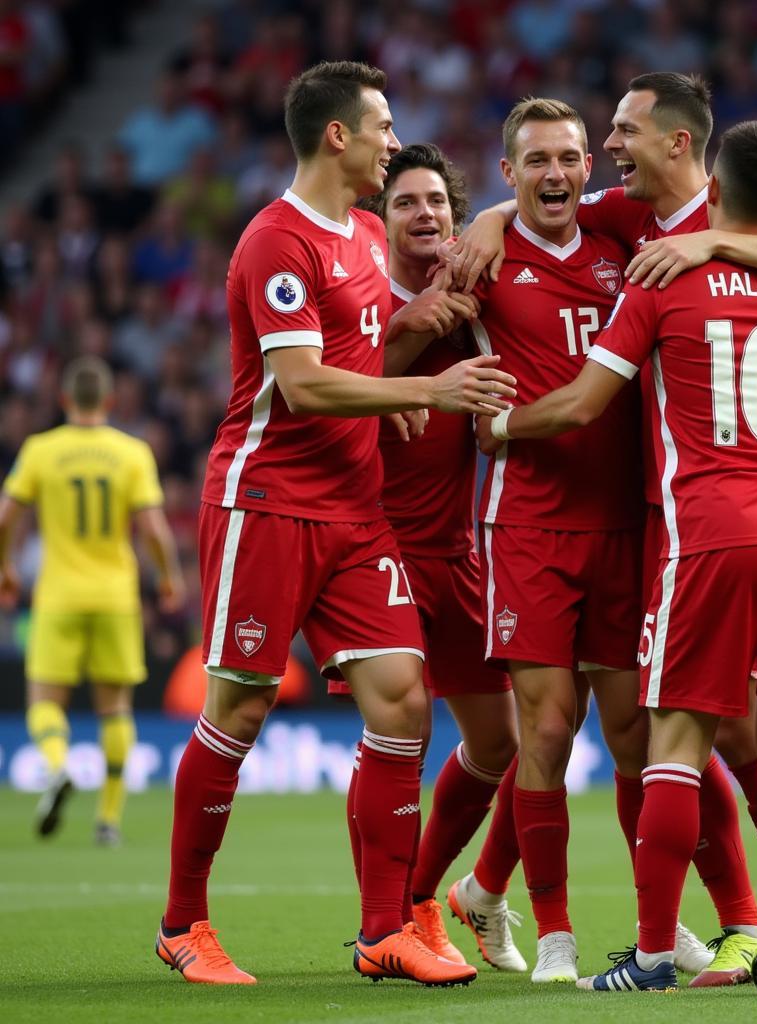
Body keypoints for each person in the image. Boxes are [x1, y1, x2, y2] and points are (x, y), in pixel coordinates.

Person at [453, 72, 757, 988]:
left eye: (620, 132)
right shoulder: (623, 219)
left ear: (680, 144)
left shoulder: (713, 238)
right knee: (697, 733)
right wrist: (487, 218)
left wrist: (501, 427)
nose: (604, 152)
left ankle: (755, 921)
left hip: (695, 522)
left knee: (697, 735)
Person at [154, 60, 516, 988]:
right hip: (266, 501)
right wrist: (420, 389)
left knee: (403, 698)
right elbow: (304, 384)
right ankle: (183, 922)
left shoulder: (362, 232)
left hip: (357, 516)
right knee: (238, 705)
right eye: (383, 126)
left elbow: (361, 349)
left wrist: (393, 376)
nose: (395, 141)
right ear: (337, 137)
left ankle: (383, 929)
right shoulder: (277, 243)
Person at [442, 96, 685, 985]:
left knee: (632, 735)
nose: (555, 174)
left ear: (590, 166)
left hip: (626, 523)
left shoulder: (623, 235)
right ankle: (555, 936)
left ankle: (655, 930)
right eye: (535, 161)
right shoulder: (480, 264)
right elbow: (413, 342)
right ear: (508, 171)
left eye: (570, 158)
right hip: (530, 525)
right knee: (546, 725)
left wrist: (491, 213)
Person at [340, 142, 526, 972]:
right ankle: (386, 925)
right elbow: (327, 401)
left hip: (458, 551)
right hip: (374, 550)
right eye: (406, 203)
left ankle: (434, 897)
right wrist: (412, 336)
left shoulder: (476, 300)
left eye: (439, 205)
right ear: (380, 225)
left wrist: (491, 216)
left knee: (506, 744)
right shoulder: (361, 303)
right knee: (401, 730)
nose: (426, 216)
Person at [0, 356, 185, 846]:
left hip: (58, 593)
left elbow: (5, 518)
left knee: (43, 700)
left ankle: (58, 767)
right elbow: (154, 530)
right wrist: (169, 579)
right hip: (115, 596)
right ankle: (108, 820)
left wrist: (5, 568)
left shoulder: (41, 450)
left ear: (64, 400)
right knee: (115, 708)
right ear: (108, 401)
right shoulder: (130, 453)